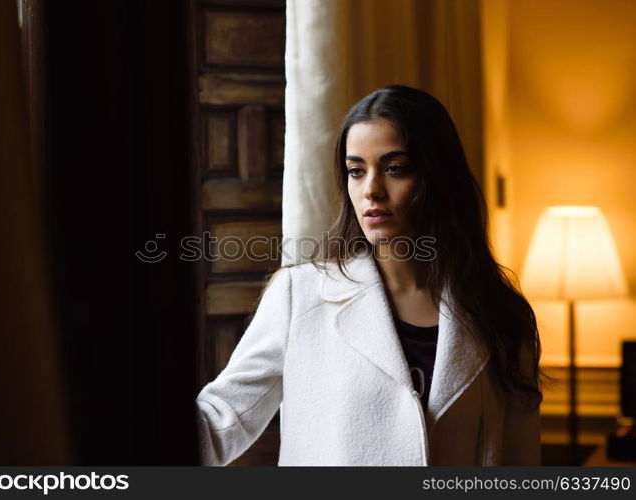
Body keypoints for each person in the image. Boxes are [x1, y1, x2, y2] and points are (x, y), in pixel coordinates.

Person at [196, 85, 543, 466]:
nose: (371, 191)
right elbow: (220, 421)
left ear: (438, 176)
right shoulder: (301, 296)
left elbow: (520, 460)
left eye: (395, 169)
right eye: (356, 171)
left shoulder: (501, 315)